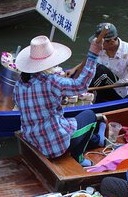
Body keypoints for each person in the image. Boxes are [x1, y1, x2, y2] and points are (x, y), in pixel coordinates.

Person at [14, 34, 105, 166]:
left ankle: (95, 140)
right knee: (90, 115)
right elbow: (81, 86)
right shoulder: (51, 82)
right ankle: (79, 158)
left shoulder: (19, 83)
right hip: (53, 147)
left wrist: (53, 101)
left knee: (67, 121)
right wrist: (93, 55)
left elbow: (23, 103)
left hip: (33, 140)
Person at [69, 23, 128, 108]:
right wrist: (75, 69)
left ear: (111, 42)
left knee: (100, 70)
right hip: (102, 84)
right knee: (93, 69)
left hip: (117, 89)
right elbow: (89, 58)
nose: (98, 44)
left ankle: (85, 97)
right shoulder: (100, 47)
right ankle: (78, 92)